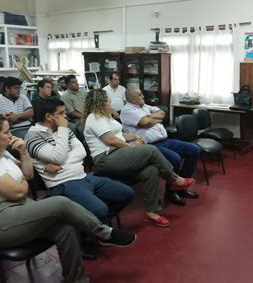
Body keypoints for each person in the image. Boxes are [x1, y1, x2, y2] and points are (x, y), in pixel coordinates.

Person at [0, 112, 136, 283]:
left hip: (17, 209)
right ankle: (104, 233)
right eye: (6, 132)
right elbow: (19, 191)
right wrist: (22, 182)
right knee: (59, 203)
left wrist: (23, 153)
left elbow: (28, 176)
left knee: (66, 229)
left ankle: (77, 279)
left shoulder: (3, 154)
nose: (11, 135)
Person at [82, 89, 195, 228]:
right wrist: (132, 148)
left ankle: (151, 211)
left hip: (117, 155)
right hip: (105, 159)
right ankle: (173, 179)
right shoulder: (94, 118)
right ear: (99, 103)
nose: (110, 102)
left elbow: (119, 136)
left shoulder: (106, 117)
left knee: (151, 170)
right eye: (107, 101)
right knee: (150, 150)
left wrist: (134, 137)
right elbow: (111, 140)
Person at [25, 98, 134, 223]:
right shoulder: (33, 136)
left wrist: (61, 164)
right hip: (63, 184)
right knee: (100, 210)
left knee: (126, 193)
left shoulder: (64, 130)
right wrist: (62, 131)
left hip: (83, 177)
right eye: (61, 113)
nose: (65, 116)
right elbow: (57, 157)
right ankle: (96, 227)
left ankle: (94, 225)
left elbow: (81, 152)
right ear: (49, 116)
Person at [121, 88, 200, 206]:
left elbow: (162, 113)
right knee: (175, 158)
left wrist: (150, 118)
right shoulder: (127, 110)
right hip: (150, 145)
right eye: (140, 95)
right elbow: (144, 123)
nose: (143, 96)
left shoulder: (144, 106)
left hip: (164, 140)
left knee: (194, 150)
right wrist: (154, 119)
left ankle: (181, 187)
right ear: (132, 99)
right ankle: (171, 191)